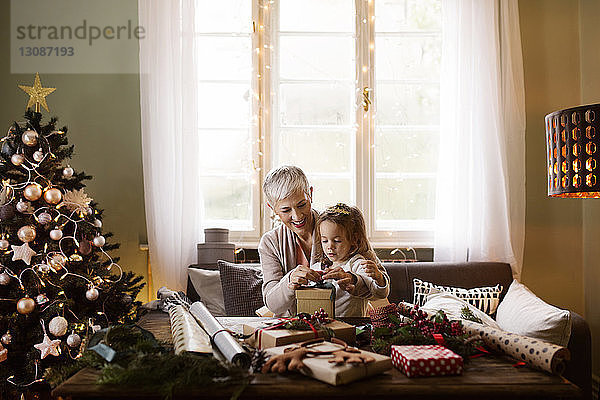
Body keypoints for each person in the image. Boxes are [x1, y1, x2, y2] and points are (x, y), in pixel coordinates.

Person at [258, 165, 389, 316]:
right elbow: (273, 305)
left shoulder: (337, 226)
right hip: (292, 328)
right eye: (286, 210)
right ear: (272, 207)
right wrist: (290, 282)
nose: (297, 216)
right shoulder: (270, 242)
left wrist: (354, 281)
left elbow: (379, 284)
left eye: (302, 204)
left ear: (311, 194)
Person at [314, 203, 389, 316]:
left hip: (353, 328)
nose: (330, 246)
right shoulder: (318, 266)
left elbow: (379, 293)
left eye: (337, 241)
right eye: (325, 241)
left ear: (354, 239)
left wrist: (379, 278)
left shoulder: (358, 264)